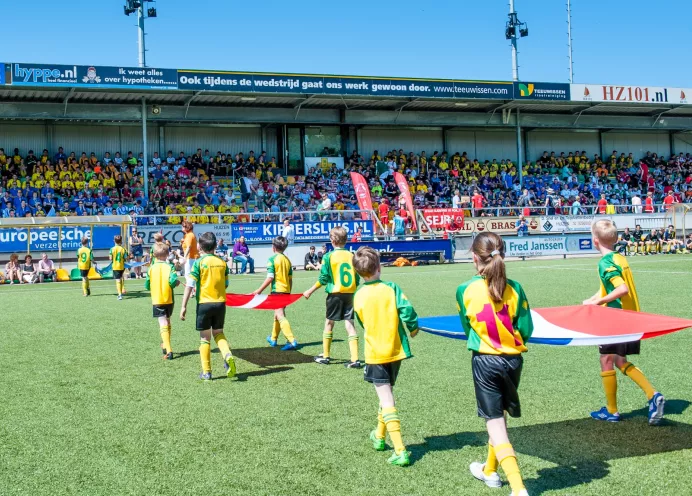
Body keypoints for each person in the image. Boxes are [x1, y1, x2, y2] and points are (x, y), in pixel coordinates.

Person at [458, 232, 533, 496]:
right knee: (499, 419)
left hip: (486, 361)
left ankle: (518, 487)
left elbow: (467, 327)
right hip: (513, 360)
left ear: (475, 257)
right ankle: (490, 471)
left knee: (495, 424)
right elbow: (526, 328)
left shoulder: (465, 289)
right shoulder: (516, 288)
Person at [583, 219, 665, 425]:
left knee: (606, 360)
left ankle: (613, 411)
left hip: (615, 320)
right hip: (630, 319)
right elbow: (610, 288)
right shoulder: (619, 258)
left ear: (594, 241)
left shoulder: (605, 262)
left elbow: (621, 289)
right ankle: (652, 396)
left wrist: (600, 302)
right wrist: (593, 300)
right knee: (619, 360)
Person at [352, 246, 419, 467]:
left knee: (387, 399)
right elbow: (407, 310)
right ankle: (379, 437)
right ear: (379, 267)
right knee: (386, 396)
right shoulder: (391, 288)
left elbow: (362, 322)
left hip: (375, 353)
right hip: (396, 350)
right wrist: (413, 327)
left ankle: (400, 450)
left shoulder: (358, 295)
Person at [180, 232, 236, 381]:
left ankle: (207, 372)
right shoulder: (222, 263)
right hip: (220, 303)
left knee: (205, 338)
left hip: (204, 303)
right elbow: (226, 284)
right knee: (218, 333)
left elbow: (190, 285)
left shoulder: (199, 263)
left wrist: (183, 306)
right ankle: (227, 354)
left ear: (199, 247)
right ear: (216, 246)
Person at [304, 227, 361, 367]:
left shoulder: (328, 256)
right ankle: (355, 359)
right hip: (350, 293)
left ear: (332, 240)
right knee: (350, 323)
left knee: (329, 323)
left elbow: (323, 279)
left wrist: (310, 291)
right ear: (346, 240)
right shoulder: (352, 255)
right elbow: (357, 278)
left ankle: (326, 356)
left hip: (335, 294)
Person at [253, 236, 298, 351]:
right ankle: (273, 338)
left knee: (280, 315)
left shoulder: (272, 259)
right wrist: (289, 292)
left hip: (277, 291)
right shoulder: (287, 260)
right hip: (286, 291)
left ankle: (291, 340)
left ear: (273, 247)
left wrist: (259, 290)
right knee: (277, 315)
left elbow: (270, 277)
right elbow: (290, 279)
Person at [145, 242, 180, 361]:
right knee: (168, 321)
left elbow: (147, 285)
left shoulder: (151, 268)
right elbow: (172, 282)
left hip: (157, 299)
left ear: (154, 255)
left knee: (162, 323)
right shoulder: (169, 267)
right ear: (167, 255)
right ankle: (165, 344)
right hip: (168, 298)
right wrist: (176, 282)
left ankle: (169, 350)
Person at [181, 220, 199, 289]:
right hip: (191, 257)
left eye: (183, 226)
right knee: (190, 275)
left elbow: (189, 247)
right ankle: (193, 290)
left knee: (188, 275)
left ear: (187, 227)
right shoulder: (187, 235)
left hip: (191, 257)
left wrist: (184, 257)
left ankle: (190, 291)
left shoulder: (189, 235)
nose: (182, 227)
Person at [110, 235, 128, 300]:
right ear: (121, 241)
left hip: (115, 266)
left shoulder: (112, 249)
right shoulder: (123, 249)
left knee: (118, 280)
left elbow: (110, 258)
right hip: (122, 266)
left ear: (114, 241)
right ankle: (122, 289)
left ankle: (120, 295)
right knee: (121, 277)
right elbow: (126, 258)